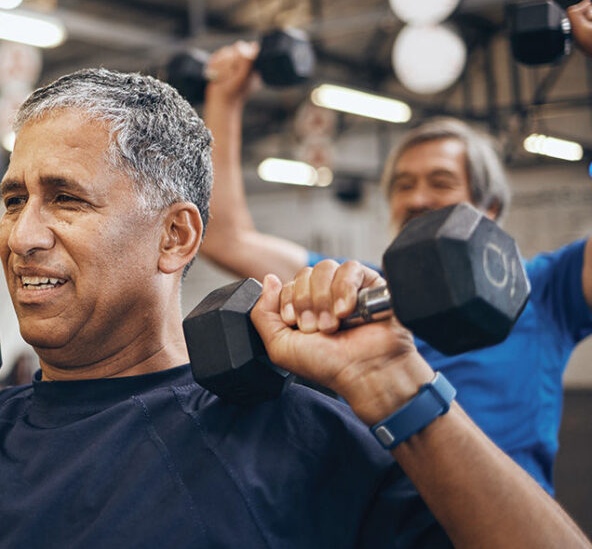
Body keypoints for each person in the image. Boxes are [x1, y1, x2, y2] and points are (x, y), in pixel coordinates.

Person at [0, 69, 592, 549]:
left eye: (65, 199)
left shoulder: (294, 439)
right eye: (15, 199)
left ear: (175, 236)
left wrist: (395, 384)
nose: (22, 235)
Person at [197, 42, 592, 494]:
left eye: (440, 182)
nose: (417, 198)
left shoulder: (543, 286)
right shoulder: (354, 289)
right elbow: (227, 237)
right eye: (404, 185)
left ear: (491, 207)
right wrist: (225, 99)